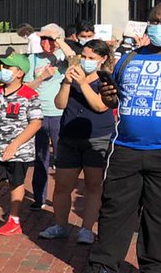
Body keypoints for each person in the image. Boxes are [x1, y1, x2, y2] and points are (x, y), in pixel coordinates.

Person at [79, 1, 161, 273]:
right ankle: (103, 265)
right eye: (154, 20)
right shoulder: (129, 58)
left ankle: (157, 269)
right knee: (115, 208)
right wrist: (109, 94)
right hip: (126, 147)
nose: (159, 26)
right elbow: (114, 100)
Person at [40, 40, 115, 244]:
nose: (86, 61)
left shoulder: (105, 79)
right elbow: (60, 104)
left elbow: (101, 106)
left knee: (93, 185)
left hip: (97, 138)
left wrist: (83, 83)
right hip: (69, 137)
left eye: (92, 58)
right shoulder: (72, 76)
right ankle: (61, 225)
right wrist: (66, 83)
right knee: (62, 185)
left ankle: (86, 229)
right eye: (84, 56)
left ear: (103, 59)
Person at [0, 53, 43, 235]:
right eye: (3, 67)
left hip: (19, 151)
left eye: (8, 68)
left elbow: (36, 122)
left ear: (20, 73)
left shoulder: (29, 95)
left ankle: (14, 220)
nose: (3, 71)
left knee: (16, 183)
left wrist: (15, 145)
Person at [25, 23, 75, 210]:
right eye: (43, 38)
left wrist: (59, 40)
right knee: (40, 158)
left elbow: (75, 61)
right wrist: (41, 77)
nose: (46, 42)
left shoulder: (62, 58)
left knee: (62, 159)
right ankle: (40, 198)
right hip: (38, 114)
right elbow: (24, 89)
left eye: (50, 39)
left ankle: (62, 199)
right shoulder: (32, 60)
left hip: (59, 114)